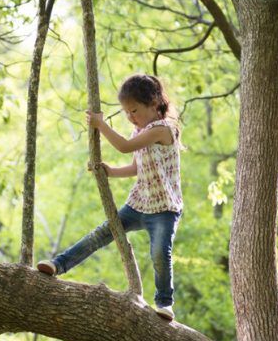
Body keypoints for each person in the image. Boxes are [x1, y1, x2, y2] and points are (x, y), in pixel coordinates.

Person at [36, 74, 184, 321]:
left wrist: (100, 125)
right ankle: (58, 264)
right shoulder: (141, 129)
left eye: (134, 110)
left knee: (160, 252)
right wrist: (110, 172)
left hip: (164, 208)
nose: (130, 117)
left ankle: (165, 303)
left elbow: (125, 146)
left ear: (154, 102)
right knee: (101, 234)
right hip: (140, 203)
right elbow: (137, 167)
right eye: (126, 112)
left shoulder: (163, 129)